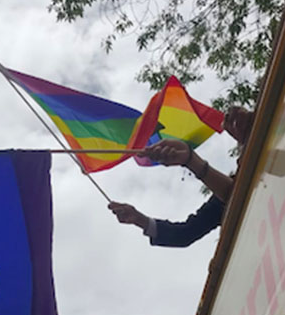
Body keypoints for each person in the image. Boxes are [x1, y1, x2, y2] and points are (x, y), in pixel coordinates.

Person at [108, 106, 253, 248]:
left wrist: (190, 160)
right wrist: (140, 220)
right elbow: (186, 233)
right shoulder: (225, 194)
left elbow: (234, 193)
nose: (237, 126)